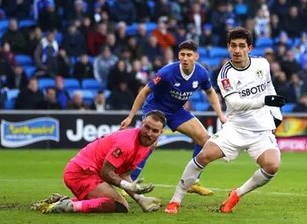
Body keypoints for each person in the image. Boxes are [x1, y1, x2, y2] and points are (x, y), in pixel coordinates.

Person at [165, 27, 287, 214]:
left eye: (241, 46)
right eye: (233, 46)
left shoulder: (262, 64)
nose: (237, 50)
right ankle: (176, 199)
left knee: (272, 166)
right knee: (204, 156)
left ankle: (236, 194)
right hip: (236, 128)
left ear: (250, 48)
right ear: (228, 48)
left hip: (261, 130)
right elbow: (235, 103)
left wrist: (276, 115)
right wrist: (263, 101)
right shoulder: (225, 73)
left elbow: (269, 88)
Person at [120, 40, 227, 196]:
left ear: (196, 56)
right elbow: (144, 92)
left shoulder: (201, 73)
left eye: (189, 55)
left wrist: (221, 115)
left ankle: (192, 182)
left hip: (176, 111)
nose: (185, 58)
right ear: (178, 55)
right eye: (182, 54)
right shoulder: (166, 72)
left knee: (204, 139)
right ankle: (130, 182)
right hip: (155, 109)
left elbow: (210, 92)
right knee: (150, 143)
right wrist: (130, 116)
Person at [33, 110, 166, 214]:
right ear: (142, 124)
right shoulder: (127, 143)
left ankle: (59, 201)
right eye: (147, 127)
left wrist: (140, 199)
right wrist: (129, 186)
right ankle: (70, 206)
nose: (149, 133)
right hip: (81, 172)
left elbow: (124, 175)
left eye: (154, 131)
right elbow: (106, 172)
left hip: (88, 172)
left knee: (112, 202)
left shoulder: (147, 146)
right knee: (121, 205)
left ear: (161, 132)